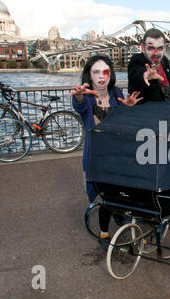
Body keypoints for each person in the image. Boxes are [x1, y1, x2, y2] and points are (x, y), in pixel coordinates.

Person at [70, 55, 142, 251]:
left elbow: (123, 123)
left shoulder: (116, 92)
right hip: (96, 156)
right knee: (105, 196)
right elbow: (78, 106)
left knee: (120, 190)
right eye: (96, 72)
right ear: (89, 76)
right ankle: (104, 233)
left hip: (117, 152)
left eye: (106, 71)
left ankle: (117, 212)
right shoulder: (85, 97)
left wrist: (128, 108)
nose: (102, 76)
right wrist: (78, 95)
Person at [128, 28, 170, 104]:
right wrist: (144, 76)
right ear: (143, 48)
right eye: (151, 48)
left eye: (160, 48)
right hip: (146, 113)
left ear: (164, 48)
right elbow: (136, 74)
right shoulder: (136, 61)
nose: (156, 53)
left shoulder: (165, 60)